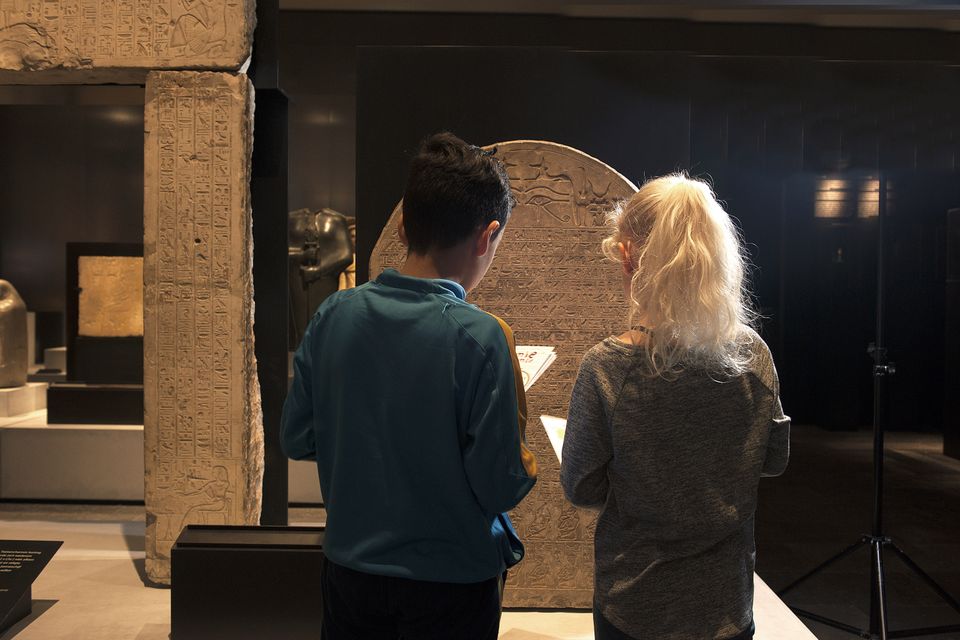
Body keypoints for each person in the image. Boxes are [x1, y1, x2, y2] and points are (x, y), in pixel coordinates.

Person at [281, 132, 538, 640]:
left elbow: (297, 437)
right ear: (486, 236)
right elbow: (501, 483)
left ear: (402, 225)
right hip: (452, 582)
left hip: (350, 571)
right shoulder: (483, 337)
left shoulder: (333, 315)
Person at [560, 174, 790, 640]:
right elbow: (774, 460)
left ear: (628, 256)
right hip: (726, 605)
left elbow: (581, 488)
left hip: (634, 604)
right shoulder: (753, 355)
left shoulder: (608, 367)